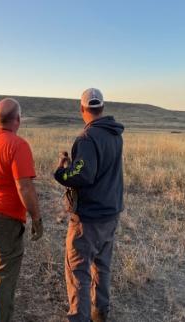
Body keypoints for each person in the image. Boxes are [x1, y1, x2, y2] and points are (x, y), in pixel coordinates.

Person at [54, 88, 124, 322]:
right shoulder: (115, 134)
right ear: (102, 107)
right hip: (110, 213)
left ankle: (79, 317)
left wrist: (61, 171)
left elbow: (82, 175)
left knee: (78, 273)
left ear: (82, 109)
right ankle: (100, 312)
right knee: (102, 266)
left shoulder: (87, 138)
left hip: (89, 218)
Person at [0, 97, 43, 322]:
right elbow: (24, 187)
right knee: (3, 277)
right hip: (5, 220)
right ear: (18, 119)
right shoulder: (18, 145)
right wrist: (36, 217)